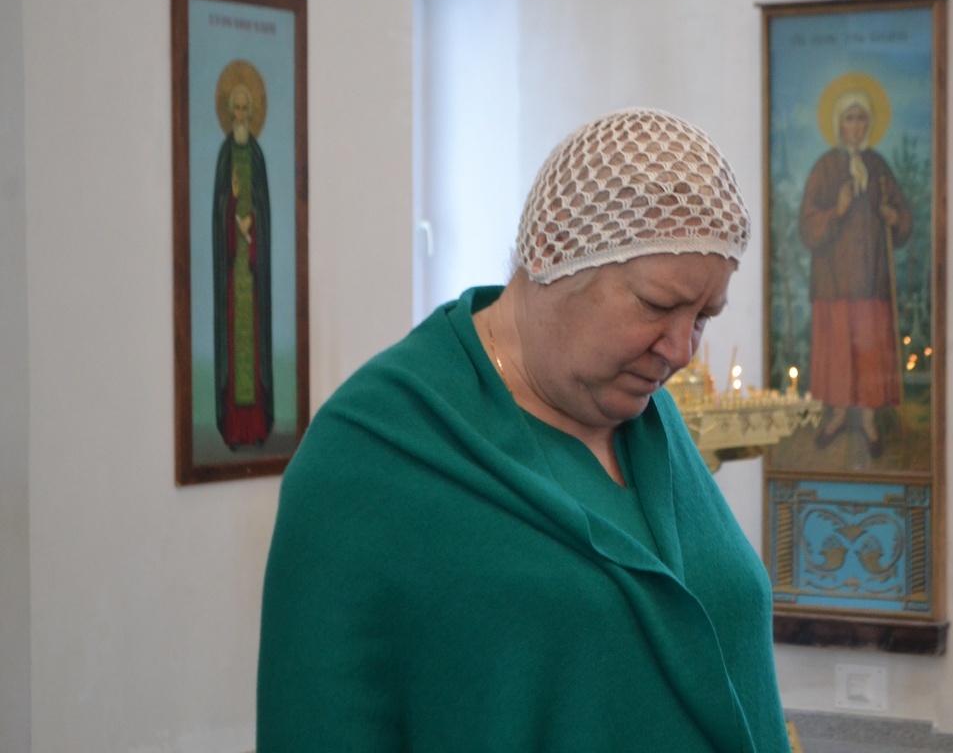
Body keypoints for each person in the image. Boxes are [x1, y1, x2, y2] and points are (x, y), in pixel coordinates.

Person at [257, 108, 791, 752]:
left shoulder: (651, 421)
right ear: (552, 249)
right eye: (657, 305)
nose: (681, 351)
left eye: (704, 315)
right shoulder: (372, 450)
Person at [798, 82, 912, 458]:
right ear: (838, 124)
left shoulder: (878, 167)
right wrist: (838, 210)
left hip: (872, 280)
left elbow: (903, 218)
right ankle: (837, 415)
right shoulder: (824, 168)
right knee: (838, 351)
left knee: (869, 350)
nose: (857, 125)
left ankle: (867, 419)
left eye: (862, 118)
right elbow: (807, 227)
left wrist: (894, 218)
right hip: (834, 282)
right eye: (850, 118)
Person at [212, 80, 274, 449]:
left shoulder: (257, 156)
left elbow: (264, 209)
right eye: (235, 109)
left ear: (252, 114)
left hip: (252, 273)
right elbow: (219, 210)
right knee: (235, 352)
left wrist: (255, 224)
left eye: (245, 109)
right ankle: (235, 430)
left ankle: (256, 429)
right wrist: (233, 204)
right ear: (229, 113)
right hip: (232, 274)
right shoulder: (225, 156)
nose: (240, 115)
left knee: (254, 348)